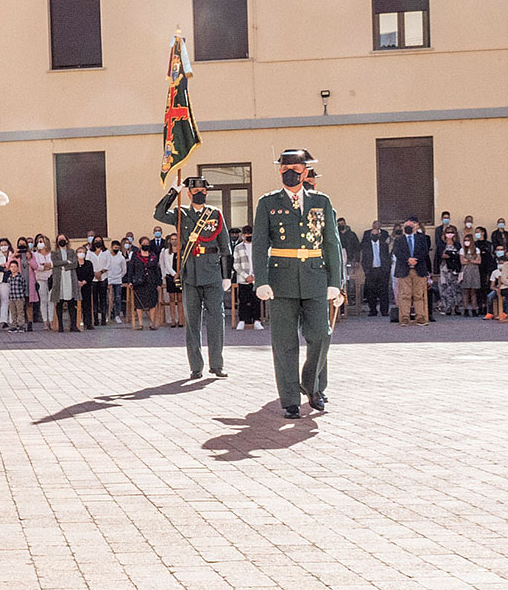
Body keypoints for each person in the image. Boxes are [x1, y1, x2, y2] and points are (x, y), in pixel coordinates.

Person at [251, 149, 343, 417]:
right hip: (281, 280)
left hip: (315, 276)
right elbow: (259, 244)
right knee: (284, 342)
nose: (290, 173)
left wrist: (335, 281)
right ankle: (290, 399)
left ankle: (312, 385)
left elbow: (331, 243)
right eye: (285, 169)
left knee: (321, 335)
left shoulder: (321, 202)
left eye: (295, 169)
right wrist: (261, 280)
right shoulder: (268, 203)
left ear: (305, 172)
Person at [155, 176, 229, 379]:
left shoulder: (215, 214)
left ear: (207, 193)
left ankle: (217, 365)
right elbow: (158, 214)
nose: (199, 194)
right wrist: (173, 192)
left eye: (203, 191)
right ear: (188, 194)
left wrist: (226, 275)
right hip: (190, 274)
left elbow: (225, 246)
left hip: (212, 273)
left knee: (216, 320)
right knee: (192, 322)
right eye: (195, 192)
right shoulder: (181, 213)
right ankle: (196, 367)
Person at [390, 217, 432, 326]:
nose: (408, 228)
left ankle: (420, 317)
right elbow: (397, 252)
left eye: (411, 226)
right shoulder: (399, 240)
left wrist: (415, 260)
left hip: (419, 269)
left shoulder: (422, 238)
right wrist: (408, 260)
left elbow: (425, 251)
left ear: (415, 227)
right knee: (405, 295)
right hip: (404, 269)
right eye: (406, 226)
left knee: (418, 295)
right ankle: (404, 317)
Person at [358, 220, 391, 317]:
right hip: (371, 270)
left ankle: (384, 311)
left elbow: (388, 256)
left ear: (379, 235)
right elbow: (364, 258)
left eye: (376, 234)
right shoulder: (366, 245)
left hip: (382, 270)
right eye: (373, 234)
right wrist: (366, 270)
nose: (374, 236)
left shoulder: (384, 245)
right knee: (371, 291)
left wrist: (387, 268)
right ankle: (373, 310)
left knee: (384, 291)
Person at [124, 239, 160, 327]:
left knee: (152, 302)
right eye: (144, 243)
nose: (145, 245)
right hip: (139, 282)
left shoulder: (153, 256)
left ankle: (152, 323)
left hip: (151, 282)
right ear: (140, 245)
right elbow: (131, 269)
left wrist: (158, 283)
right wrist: (130, 281)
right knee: (139, 304)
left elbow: (157, 270)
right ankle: (140, 323)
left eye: (147, 243)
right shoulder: (135, 256)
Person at [52, 235, 81, 331]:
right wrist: (67, 262)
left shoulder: (72, 252)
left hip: (70, 279)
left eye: (63, 239)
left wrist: (64, 267)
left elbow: (74, 264)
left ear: (67, 240)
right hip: (59, 280)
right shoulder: (54, 253)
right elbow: (55, 263)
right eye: (59, 239)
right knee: (59, 303)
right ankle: (60, 326)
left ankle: (73, 325)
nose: (61, 241)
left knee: (71, 303)